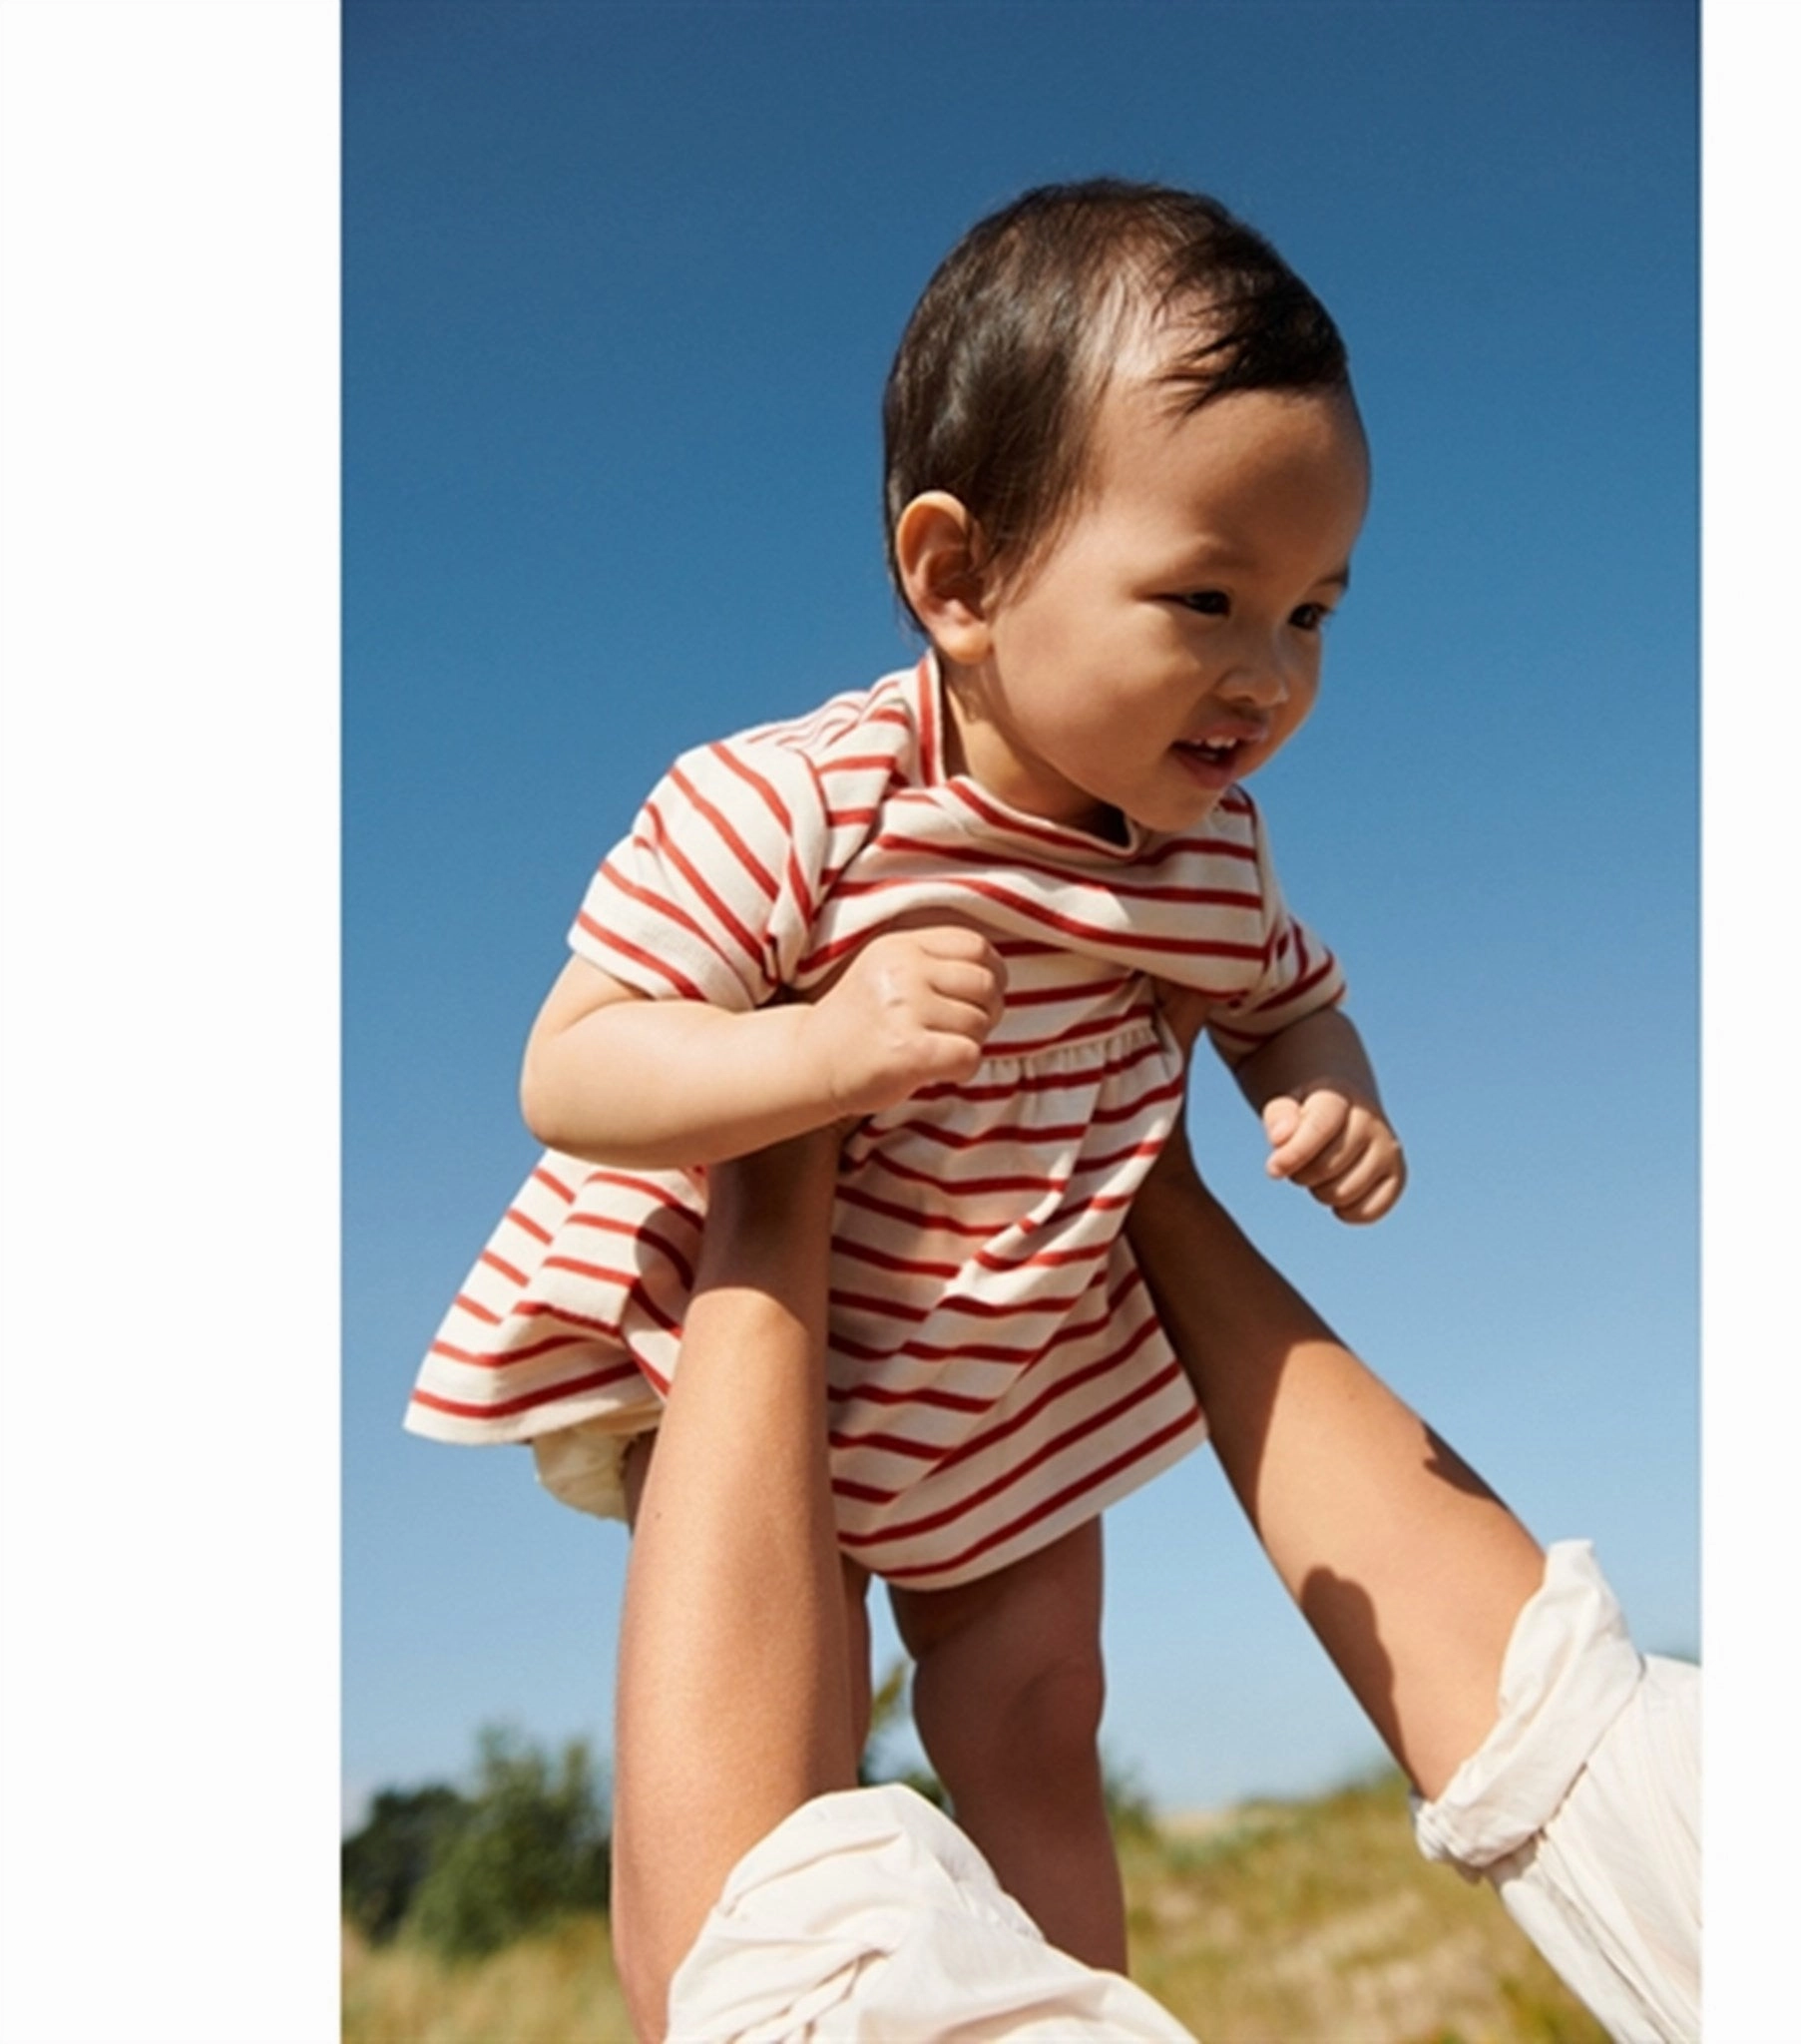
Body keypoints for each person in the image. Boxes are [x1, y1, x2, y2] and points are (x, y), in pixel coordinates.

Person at [404, 179, 1407, 1967]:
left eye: (1312, 612)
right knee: (770, 1757)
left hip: (1003, 1364)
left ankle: (1073, 2001)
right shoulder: (792, 802)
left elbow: (1283, 1000)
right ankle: (749, 1988)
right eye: (1207, 596)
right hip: (749, 1355)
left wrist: (1316, 1088)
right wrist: (820, 1046)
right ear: (957, 576)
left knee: (1034, 1709)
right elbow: (572, 1068)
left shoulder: (1204, 858)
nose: (1268, 677)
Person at [615, 1104, 1699, 2044]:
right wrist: (1148, 1159)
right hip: (989, 1196)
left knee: (1016, 1713)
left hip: (889, 1216)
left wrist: (770, 1155)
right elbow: (1567, 1737)